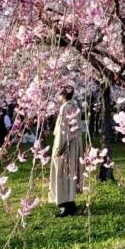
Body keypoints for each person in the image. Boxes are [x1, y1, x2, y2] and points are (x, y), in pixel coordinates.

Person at [49, 86, 83, 217]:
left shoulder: (65, 108)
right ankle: (70, 202)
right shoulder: (75, 106)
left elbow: (63, 132)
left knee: (62, 173)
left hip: (66, 146)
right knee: (71, 173)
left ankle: (64, 204)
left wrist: (58, 149)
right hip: (74, 144)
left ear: (62, 95)